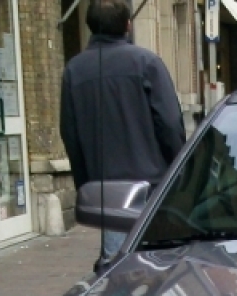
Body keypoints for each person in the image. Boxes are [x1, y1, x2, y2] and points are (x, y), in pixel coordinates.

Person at [60, 0, 186, 258]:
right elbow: (171, 124)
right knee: (160, 265)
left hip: (109, 193)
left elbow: (70, 134)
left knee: (117, 269)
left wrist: (87, 185)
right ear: (127, 25)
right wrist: (179, 174)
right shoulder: (147, 63)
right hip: (153, 186)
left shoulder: (74, 71)